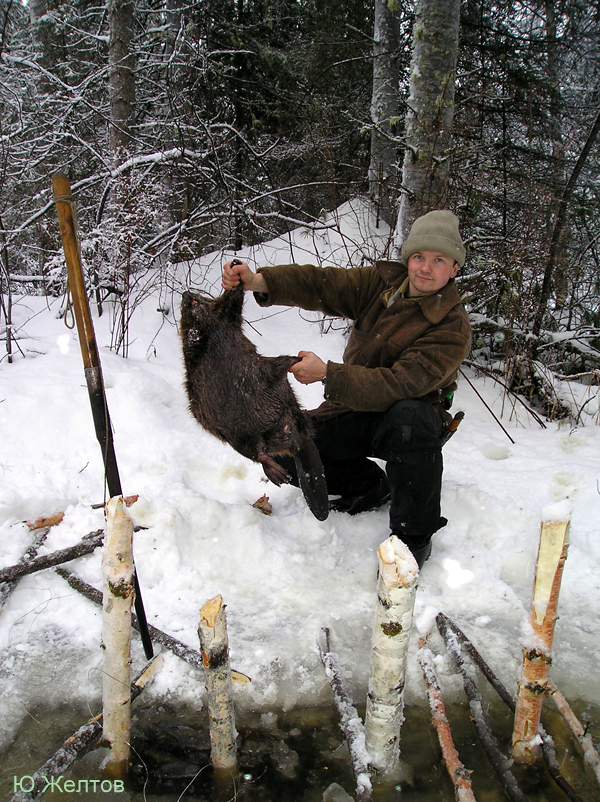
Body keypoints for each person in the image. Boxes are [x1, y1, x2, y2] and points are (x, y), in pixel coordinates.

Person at [222, 210, 472, 568]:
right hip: (352, 408)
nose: (425, 268)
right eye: (418, 256)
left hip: (406, 421)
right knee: (279, 448)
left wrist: (328, 374)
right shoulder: (383, 284)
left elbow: (400, 384)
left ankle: (413, 538)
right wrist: (259, 281)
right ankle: (368, 487)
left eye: (438, 260)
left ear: (454, 269)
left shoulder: (452, 328)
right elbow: (322, 284)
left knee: (410, 416)